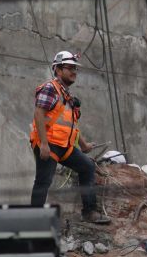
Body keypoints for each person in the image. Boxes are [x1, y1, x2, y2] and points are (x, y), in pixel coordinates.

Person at [29, 51, 111, 224]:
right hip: (49, 144)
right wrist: (43, 144)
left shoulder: (67, 97)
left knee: (87, 167)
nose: (74, 72)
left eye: (75, 68)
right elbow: (38, 113)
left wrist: (84, 145)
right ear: (58, 70)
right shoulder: (50, 88)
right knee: (43, 181)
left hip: (64, 146)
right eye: (70, 68)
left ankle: (89, 212)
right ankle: (34, 221)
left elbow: (71, 125)